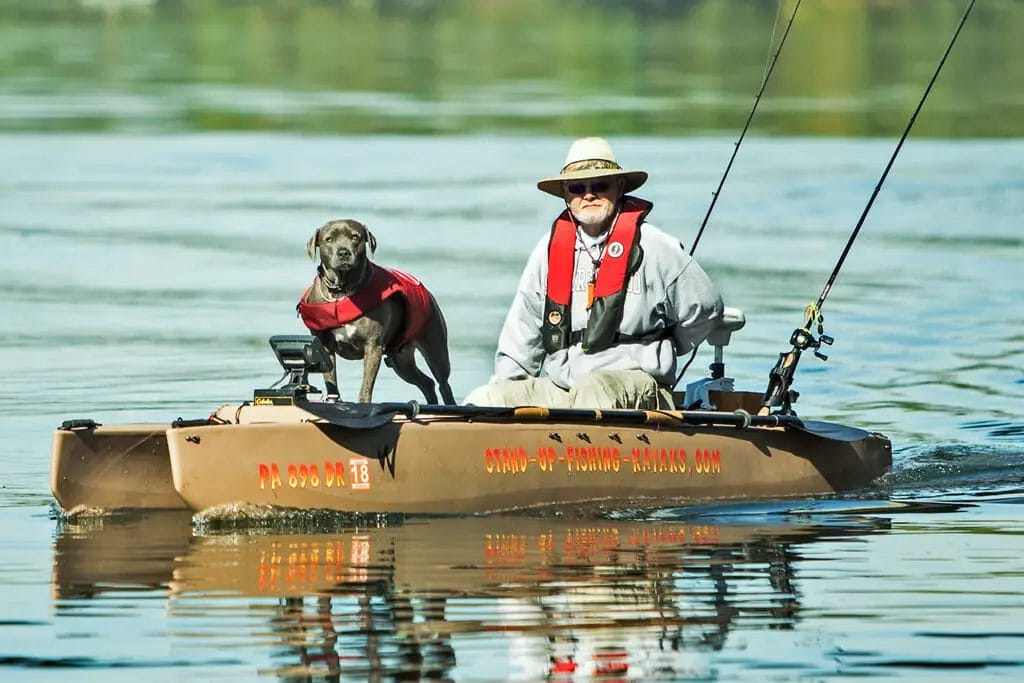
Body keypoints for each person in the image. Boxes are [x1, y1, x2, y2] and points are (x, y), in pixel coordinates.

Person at [464, 137, 723, 410]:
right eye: (577, 187)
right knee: (487, 398)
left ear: (619, 186)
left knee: (593, 391)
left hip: (636, 386)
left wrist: (663, 349)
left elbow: (706, 308)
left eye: (600, 185)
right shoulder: (548, 251)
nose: (588, 195)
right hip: (565, 388)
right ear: (566, 193)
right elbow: (522, 332)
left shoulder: (656, 246)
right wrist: (504, 395)